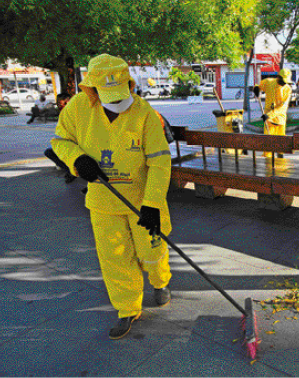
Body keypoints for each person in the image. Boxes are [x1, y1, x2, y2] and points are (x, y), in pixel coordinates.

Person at [50, 54, 173, 340]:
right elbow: (60, 140)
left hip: (142, 200)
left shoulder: (144, 112)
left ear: (130, 84)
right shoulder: (77, 109)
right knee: (114, 257)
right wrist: (77, 159)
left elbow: (159, 160)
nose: (118, 104)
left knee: (152, 251)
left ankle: (160, 281)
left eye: (122, 93)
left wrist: (153, 204)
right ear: (91, 89)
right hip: (103, 201)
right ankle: (127, 307)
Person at [253, 68, 293, 157]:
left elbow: (283, 107)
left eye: (286, 81)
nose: (284, 83)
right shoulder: (268, 82)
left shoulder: (287, 89)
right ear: (278, 77)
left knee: (280, 144)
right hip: (269, 121)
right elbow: (259, 86)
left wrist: (268, 115)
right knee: (268, 144)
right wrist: (256, 88)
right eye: (283, 80)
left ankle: (280, 161)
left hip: (280, 119)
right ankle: (268, 164)